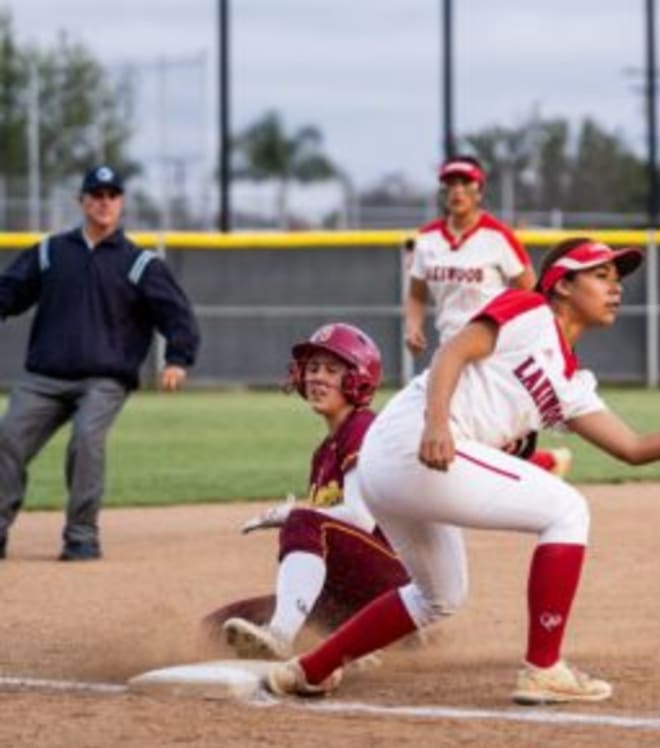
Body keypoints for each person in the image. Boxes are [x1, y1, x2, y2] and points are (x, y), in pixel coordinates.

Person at [265, 237, 660, 703]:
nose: (615, 287)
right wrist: (436, 424)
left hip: (397, 467)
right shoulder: (529, 312)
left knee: (439, 595)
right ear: (562, 286)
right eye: (601, 275)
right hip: (414, 442)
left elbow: (634, 448)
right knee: (568, 510)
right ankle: (544, 669)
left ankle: (310, 668)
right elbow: (452, 352)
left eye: (617, 279)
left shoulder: (571, 382)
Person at [0, 165, 199, 562]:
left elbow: (177, 314)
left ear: (121, 203)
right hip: (44, 376)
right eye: (96, 195)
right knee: (6, 439)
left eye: (112, 195)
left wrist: (178, 358)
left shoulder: (140, 263)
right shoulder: (50, 252)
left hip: (104, 379)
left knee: (87, 439)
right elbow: (11, 290)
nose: (104, 202)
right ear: (82, 201)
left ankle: (81, 536)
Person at [207, 323, 412, 661]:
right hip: (347, 594)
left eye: (332, 370)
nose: (317, 377)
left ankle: (281, 636)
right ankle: (355, 643)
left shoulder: (362, 428)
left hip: (390, 586)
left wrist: (290, 516)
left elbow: (360, 519)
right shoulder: (324, 451)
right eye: (313, 368)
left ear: (357, 380)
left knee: (303, 521)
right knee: (225, 622)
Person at [406, 155, 571, 478]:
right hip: (450, 349)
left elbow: (532, 292)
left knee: (458, 430)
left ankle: (542, 464)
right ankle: (546, 464)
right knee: (448, 430)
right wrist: (413, 326)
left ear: (479, 191)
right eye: (450, 184)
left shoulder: (498, 237)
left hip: (492, 345)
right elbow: (416, 294)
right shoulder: (427, 239)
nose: (457, 190)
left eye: (465, 183)